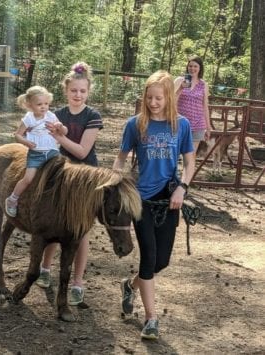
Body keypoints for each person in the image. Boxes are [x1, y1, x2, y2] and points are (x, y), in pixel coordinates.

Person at [113, 70, 195, 340]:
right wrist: (116, 180)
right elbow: (121, 158)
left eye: (159, 98)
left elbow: (190, 163)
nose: (153, 103)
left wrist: (182, 188)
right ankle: (151, 318)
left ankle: (130, 285)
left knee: (161, 262)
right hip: (141, 200)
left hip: (169, 199)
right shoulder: (135, 125)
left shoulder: (180, 125)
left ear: (169, 97)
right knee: (149, 258)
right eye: (149, 97)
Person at [35, 62, 103, 306]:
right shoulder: (56, 115)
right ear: (66, 91)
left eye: (82, 91)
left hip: (85, 180)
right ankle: (44, 269)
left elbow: (83, 152)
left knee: (80, 232)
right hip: (60, 177)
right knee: (53, 225)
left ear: (88, 92)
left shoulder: (92, 116)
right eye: (74, 91)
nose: (78, 95)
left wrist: (61, 137)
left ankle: (77, 282)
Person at [5, 85, 67, 217]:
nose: (43, 107)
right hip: (36, 154)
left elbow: (65, 132)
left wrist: (60, 127)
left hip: (51, 151)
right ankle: (12, 199)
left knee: (62, 173)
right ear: (30, 105)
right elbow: (18, 135)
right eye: (39, 104)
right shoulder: (29, 119)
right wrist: (26, 142)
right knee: (28, 179)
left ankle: (60, 201)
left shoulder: (51, 116)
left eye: (46, 103)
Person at [174, 55, 212, 153]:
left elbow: (205, 107)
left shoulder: (204, 84)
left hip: (198, 124)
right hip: (179, 122)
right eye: (190, 66)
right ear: (187, 67)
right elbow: (171, 100)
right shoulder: (179, 80)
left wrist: (208, 127)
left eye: (195, 66)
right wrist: (180, 88)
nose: (192, 68)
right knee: (175, 152)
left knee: (191, 155)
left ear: (200, 68)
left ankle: (187, 169)